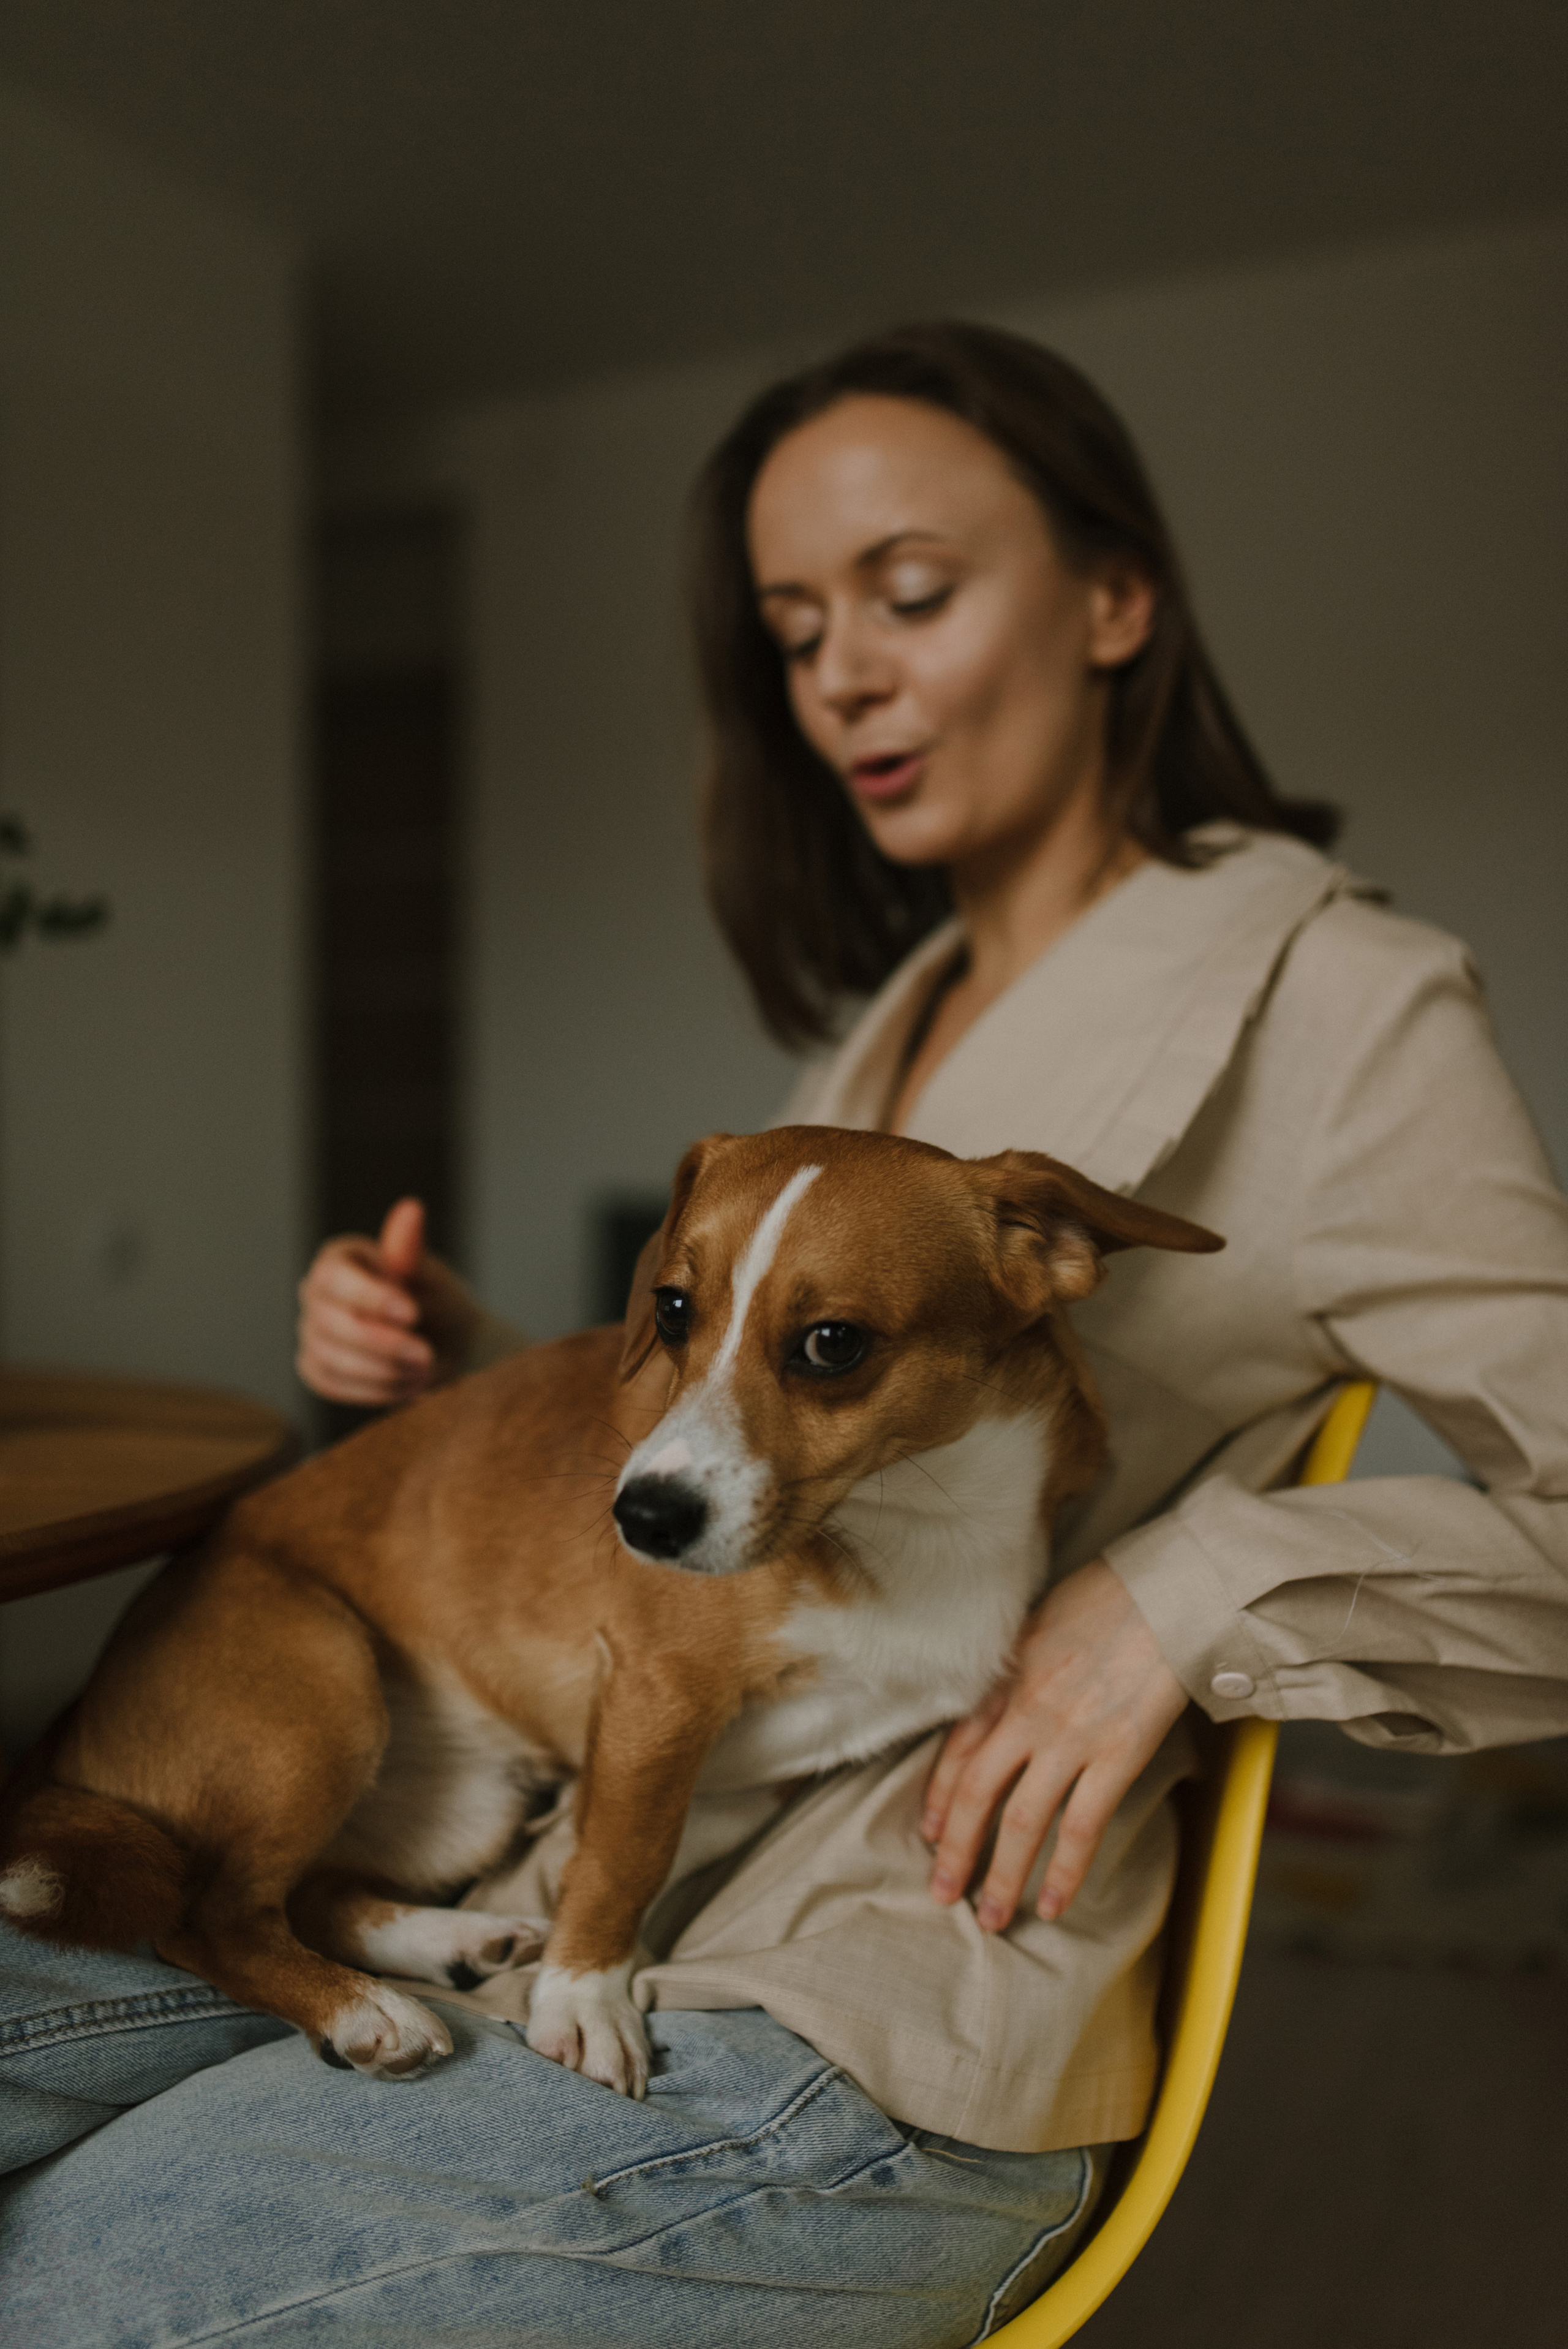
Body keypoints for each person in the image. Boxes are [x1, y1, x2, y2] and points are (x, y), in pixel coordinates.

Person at [5, 324, 1566, 2348]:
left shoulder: (1351, 1007)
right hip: (559, 1863)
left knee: (69, 2282)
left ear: (1116, 597)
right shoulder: (889, 1020)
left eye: (909, 592)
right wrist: (483, 1366)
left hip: (873, 1979)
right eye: (795, 628)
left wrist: (1191, 1589)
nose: (840, 675)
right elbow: (755, 1419)